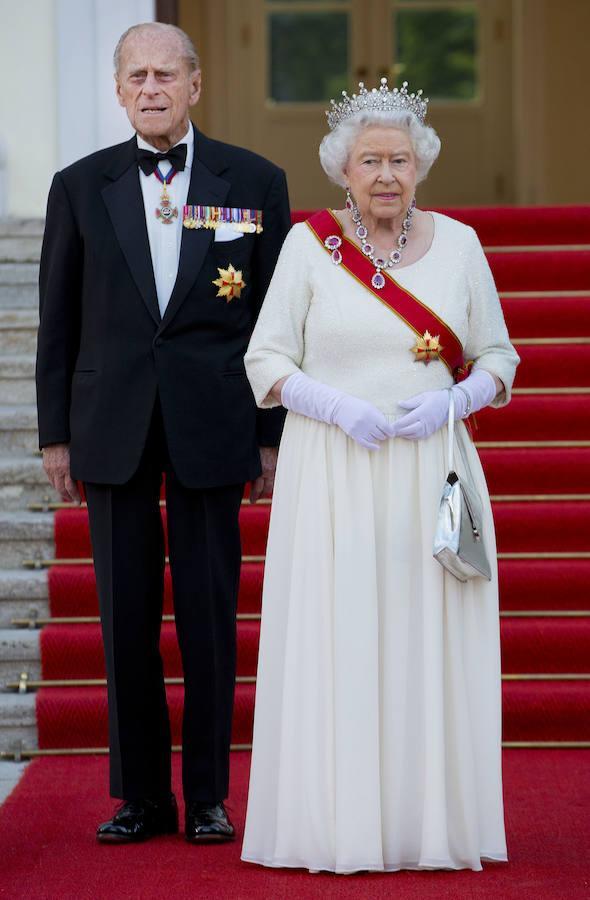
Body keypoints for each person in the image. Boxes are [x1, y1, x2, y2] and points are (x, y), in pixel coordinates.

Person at [242, 79, 519, 873]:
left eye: (400, 159)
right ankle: (338, 824)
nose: (387, 175)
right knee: (341, 639)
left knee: (426, 641)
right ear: (343, 169)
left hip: (432, 470)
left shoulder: (461, 245)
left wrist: (454, 400)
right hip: (333, 471)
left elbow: (499, 357)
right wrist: (331, 404)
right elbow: (264, 358)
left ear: (421, 165)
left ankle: (427, 826)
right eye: (371, 161)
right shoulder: (308, 247)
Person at [36, 22, 290, 844]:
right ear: (118, 90)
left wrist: (271, 433)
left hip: (214, 421)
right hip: (110, 424)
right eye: (137, 76)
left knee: (210, 617)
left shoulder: (255, 181)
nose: (152, 88)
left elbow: (274, 321)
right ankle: (142, 796)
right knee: (125, 618)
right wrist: (54, 435)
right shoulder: (79, 185)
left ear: (195, 84)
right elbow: (57, 320)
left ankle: (209, 794)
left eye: (166, 74)